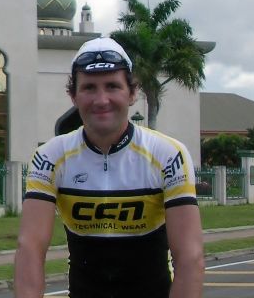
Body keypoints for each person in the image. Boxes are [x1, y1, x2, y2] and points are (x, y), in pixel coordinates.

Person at [14, 37, 204, 297]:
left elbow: (190, 258)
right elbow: (30, 250)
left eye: (112, 86)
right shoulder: (49, 157)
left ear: (132, 93)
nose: (101, 100)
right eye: (89, 88)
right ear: (73, 96)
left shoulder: (169, 155)